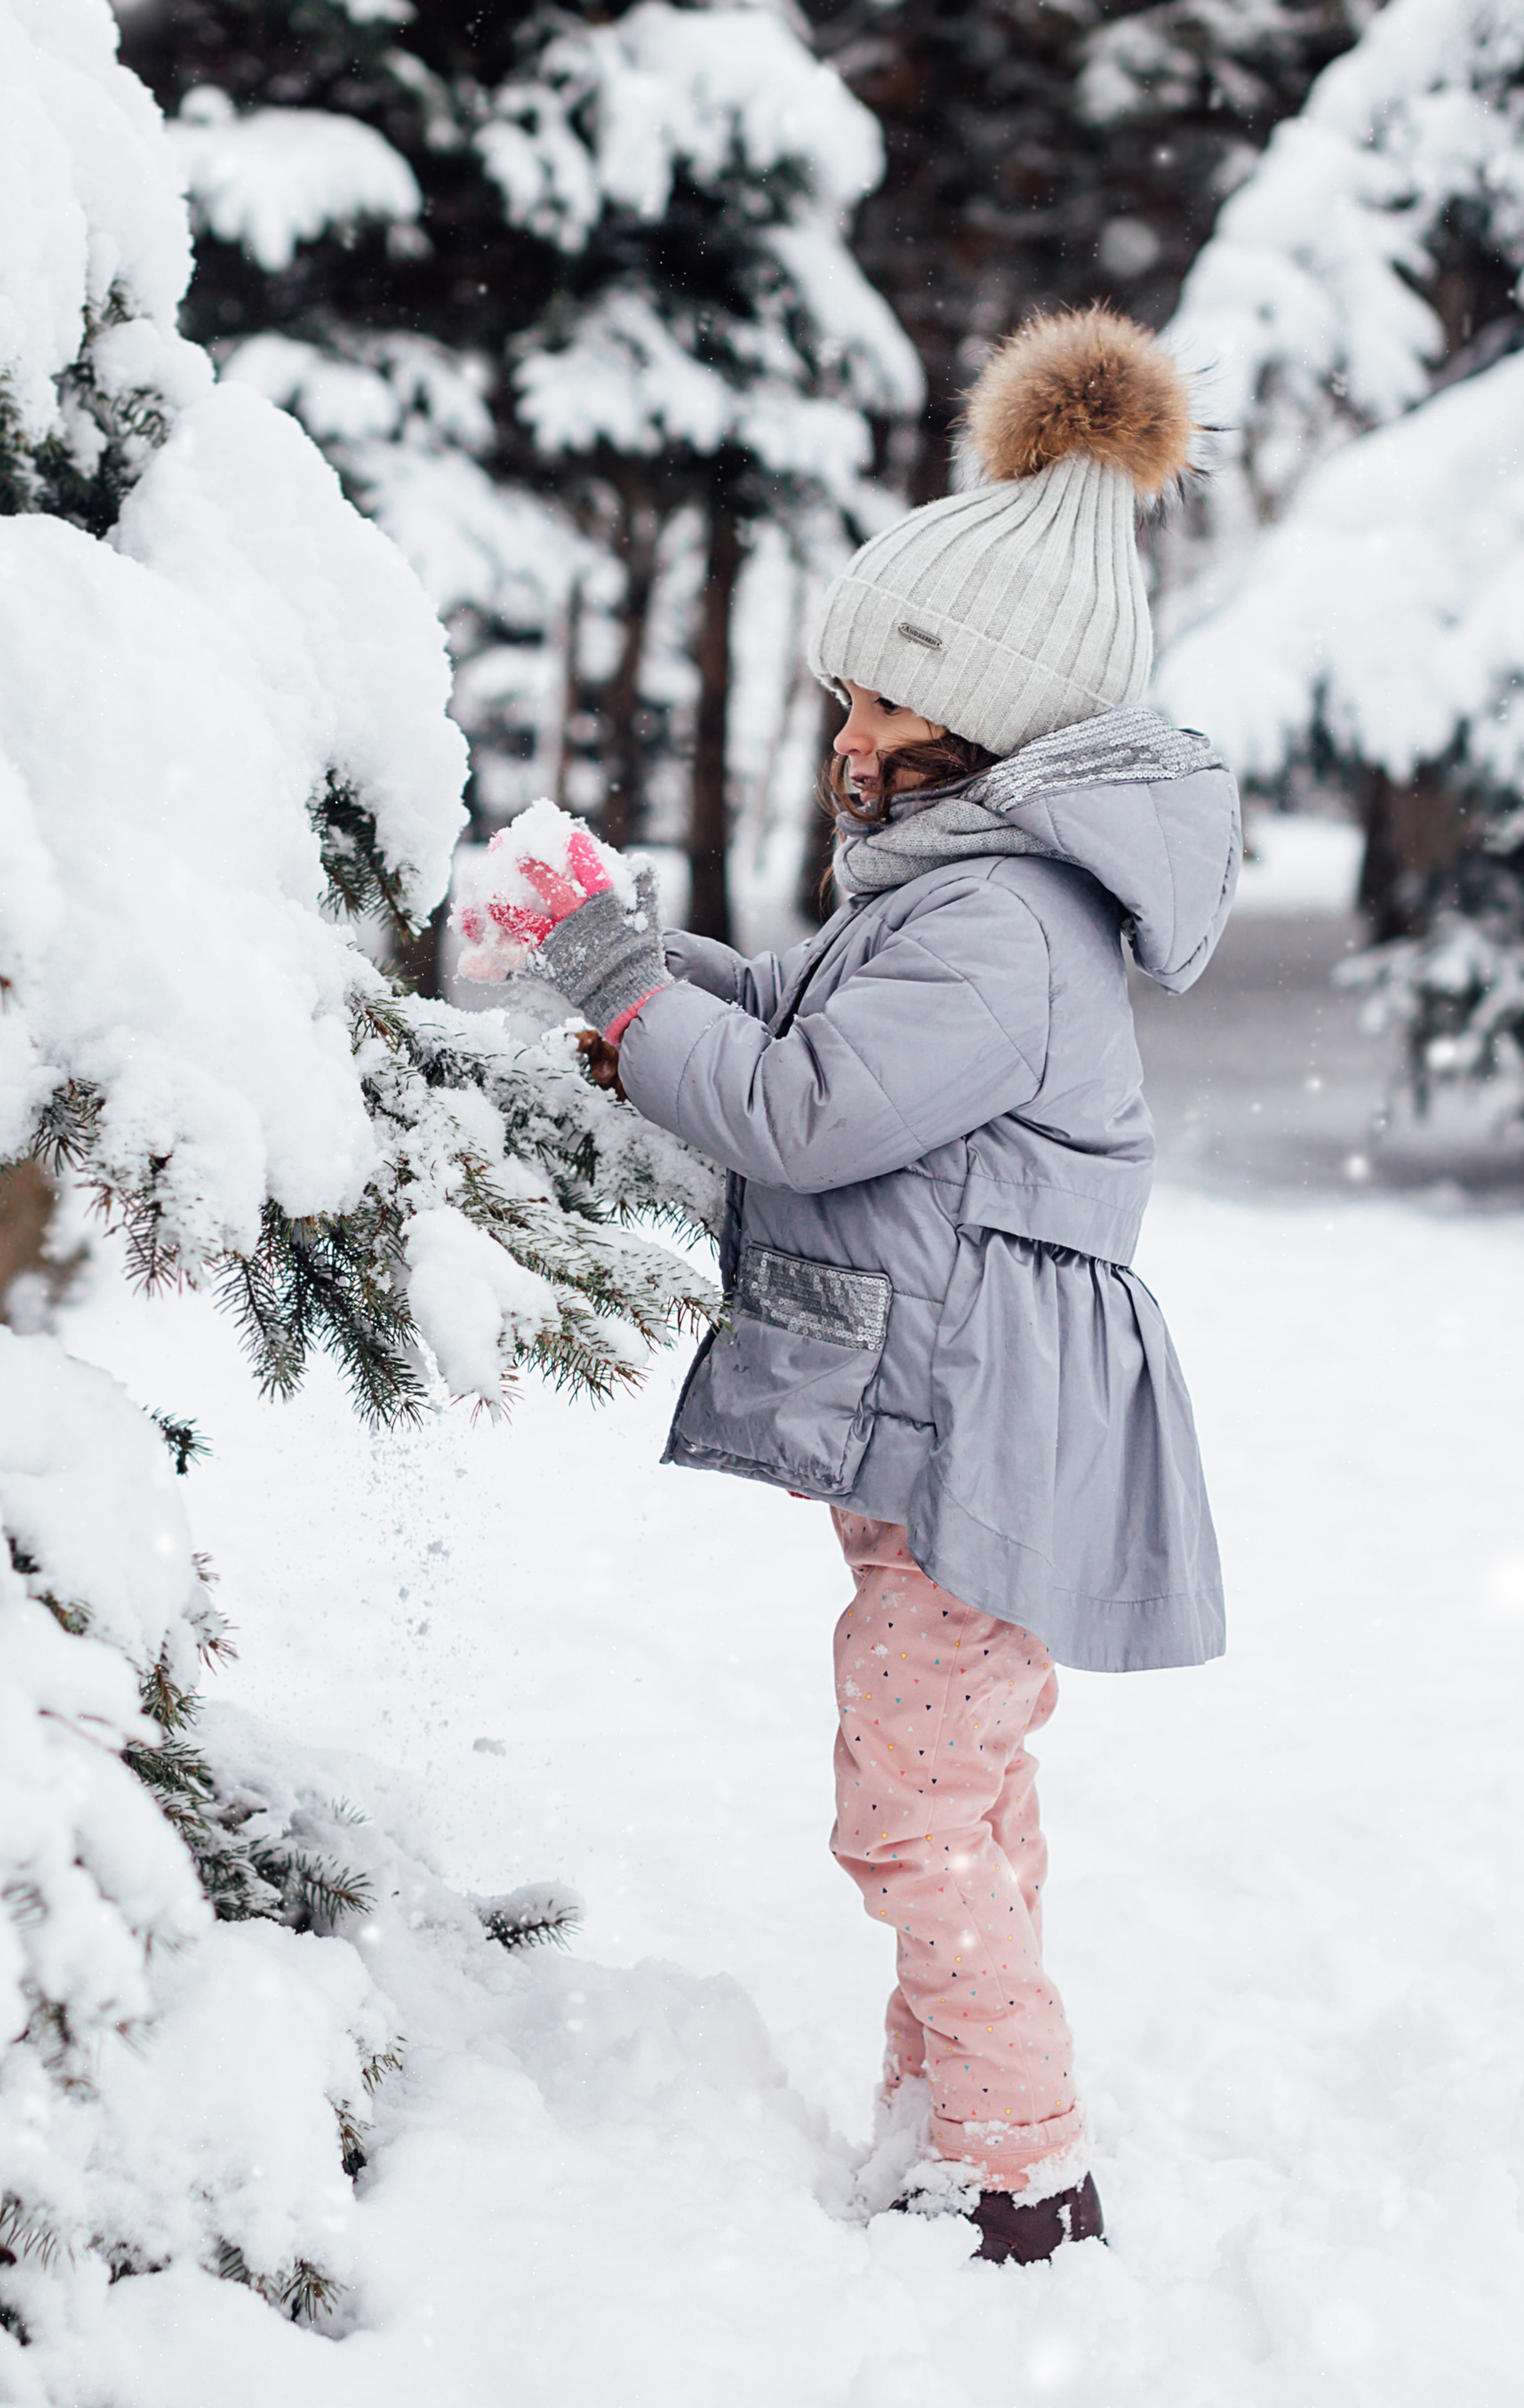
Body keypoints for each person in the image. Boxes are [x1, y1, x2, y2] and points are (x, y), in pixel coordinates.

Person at [458, 307, 1240, 2265]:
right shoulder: (963, 896)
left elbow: (807, 1110)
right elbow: (802, 1017)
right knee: (960, 1794)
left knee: (906, 1805)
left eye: (879, 703)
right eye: (842, 696)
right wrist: (641, 959)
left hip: (986, 1448)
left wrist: (615, 991)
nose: (846, 735)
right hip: (966, 1435)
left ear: (980, 724)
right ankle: (949, 2109)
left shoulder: (1001, 926)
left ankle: (1022, 2171)